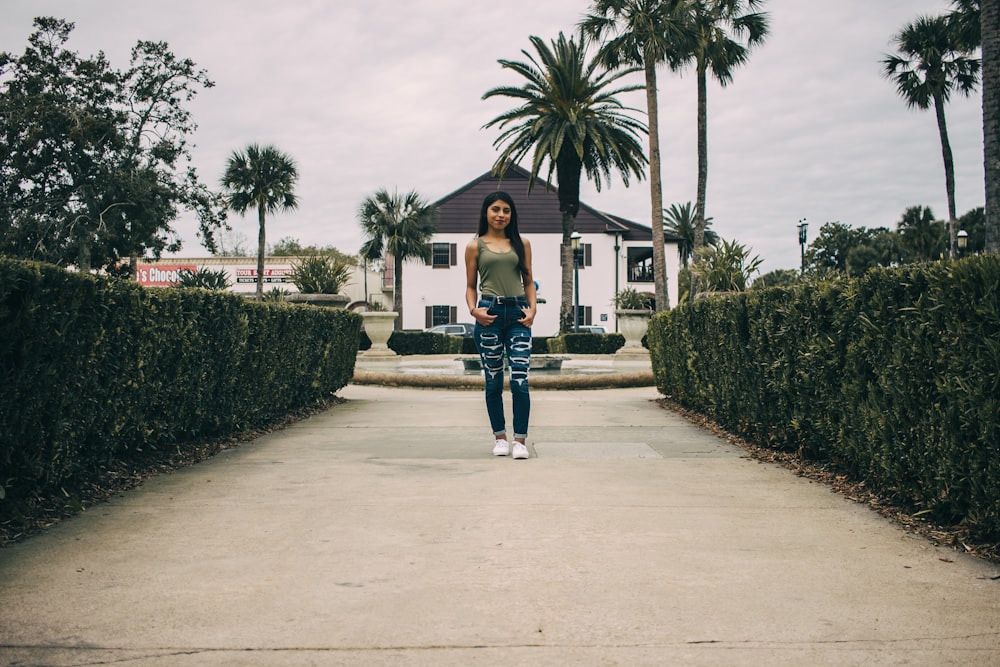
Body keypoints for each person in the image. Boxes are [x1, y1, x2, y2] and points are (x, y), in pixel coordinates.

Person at [465, 191, 537, 460]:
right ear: (486, 212)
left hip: (518, 314)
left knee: (519, 379)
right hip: (489, 315)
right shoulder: (475, 246)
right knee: (493, 381)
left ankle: (520, 440)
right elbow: (470, 286)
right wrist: (474, 311)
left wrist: (533, 310)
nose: (500, 215)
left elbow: (528, 281)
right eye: (495, 209)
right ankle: (500, 438)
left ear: (512, 214)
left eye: (506, 210)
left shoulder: (522, 243)